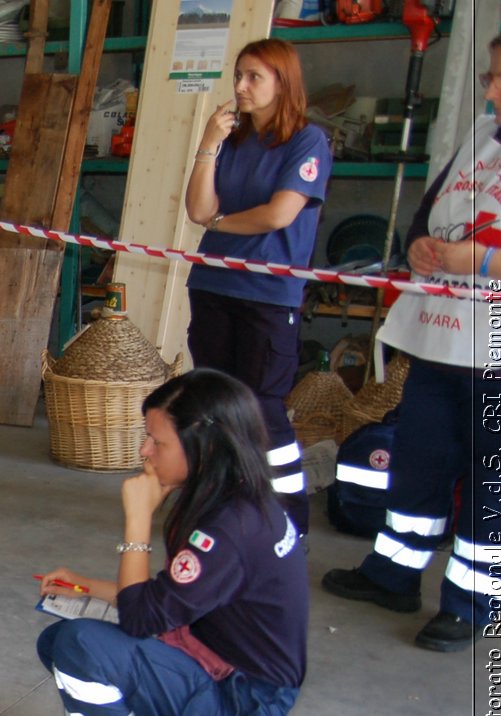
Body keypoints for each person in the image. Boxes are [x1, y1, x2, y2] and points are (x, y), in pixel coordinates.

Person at [35, 369, 307, 716]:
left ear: (205, 446)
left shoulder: (227, 531)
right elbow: (168, 601)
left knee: (80, 646)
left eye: (156, 442)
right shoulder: (239, 501)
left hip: (243, 702)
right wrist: (84, 586)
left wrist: (137, 518)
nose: (144, 451)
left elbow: (142, 619)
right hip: (234, 670)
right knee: (59, 639)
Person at [322, 30, 501, 653]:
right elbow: (432, 212)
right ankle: (394, 573)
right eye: (490, 76)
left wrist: (480, 261)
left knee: (493, 480)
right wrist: (423, 246)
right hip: (442, 339)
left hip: (500, 355)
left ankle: (471, 603)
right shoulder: (483, 139)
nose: (493, 89)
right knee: (419, 461)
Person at [183, 38, 331, 535]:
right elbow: (197, 209)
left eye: (254, 77)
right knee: (215, 403)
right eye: (238, 75)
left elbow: (278, 214)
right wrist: (208, 143)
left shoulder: (308, 142)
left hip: (267, 297)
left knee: (264, 411)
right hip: (212, 286)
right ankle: (222, 509)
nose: (241, 87)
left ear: (282, 84)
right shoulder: (233, 140)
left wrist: (219, 222)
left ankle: (289, 520)